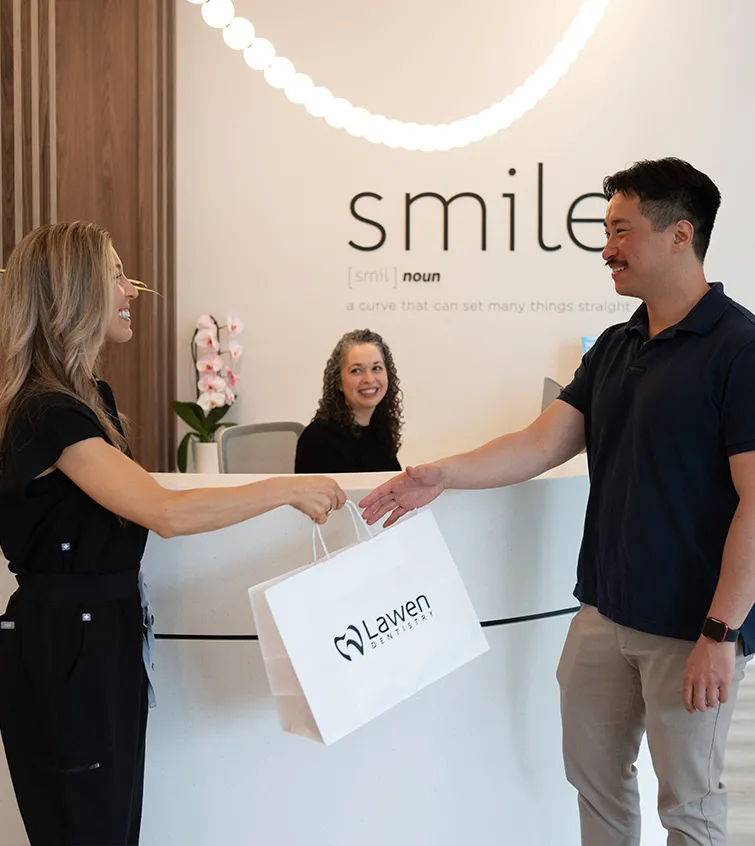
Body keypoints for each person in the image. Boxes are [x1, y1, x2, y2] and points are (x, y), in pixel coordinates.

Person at [360, 158, 755, 846]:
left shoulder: (739, 348)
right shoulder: (616, 346)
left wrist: (722, 634)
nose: (606, 249)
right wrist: (441, 475)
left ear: (679, 234)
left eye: (621, 230)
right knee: (595, 790)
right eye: (606, 231)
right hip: (602, 615)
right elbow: (540, 443)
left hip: (689, 630)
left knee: (689, 810)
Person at [0, 221, 346, 846]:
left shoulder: (89, 398)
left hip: (101, 637)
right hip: (65, 649)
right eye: (114, 275)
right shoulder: (46, 411)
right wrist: (286, 489)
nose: (130, 289)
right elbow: (165, 512)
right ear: (75, 292)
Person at [295, 328, 403, 474]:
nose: (369, 379)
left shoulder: (380, 431)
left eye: (376, 368)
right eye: (356, 370)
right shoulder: (318, 438)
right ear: (338, 381)